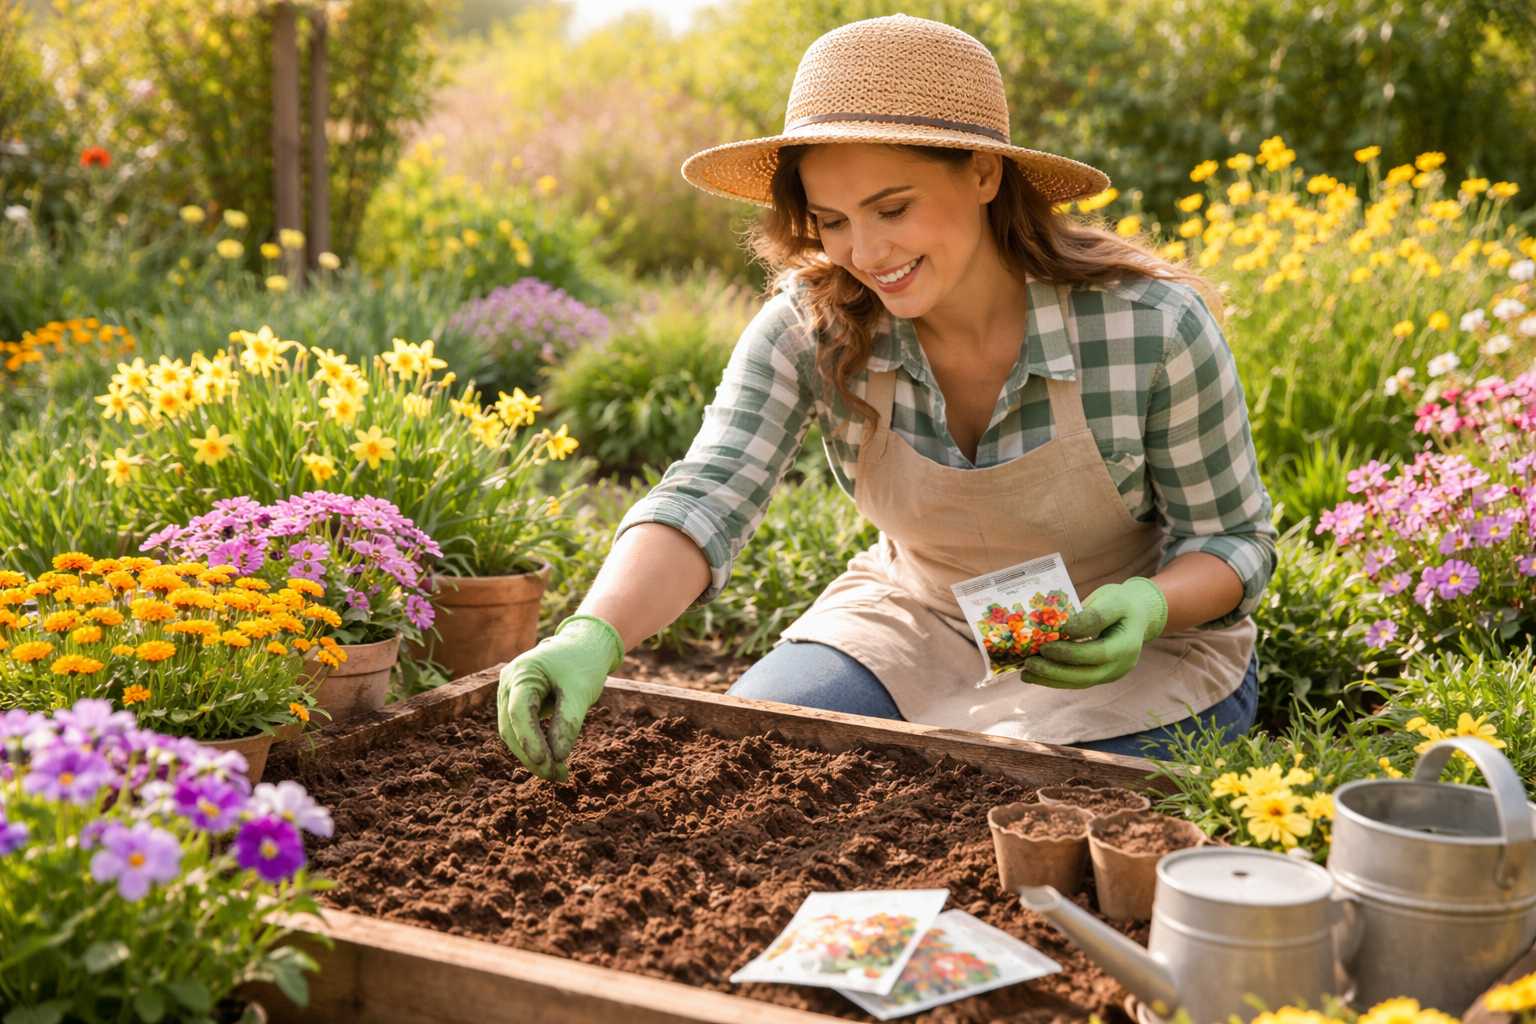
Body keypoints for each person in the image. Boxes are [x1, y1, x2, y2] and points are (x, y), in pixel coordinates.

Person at [496, 14, 1275, 781]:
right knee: (754, 764)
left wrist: (1148, 604)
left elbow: (1233, 539)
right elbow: (709, 492)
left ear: (982, 173)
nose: (865, 253)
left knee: (1026, 809)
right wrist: (594, 632)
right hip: (921, 617)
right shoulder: (812, 326)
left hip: (1120, 643)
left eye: (892, 208)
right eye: (832, 221)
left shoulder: (1150, 328)